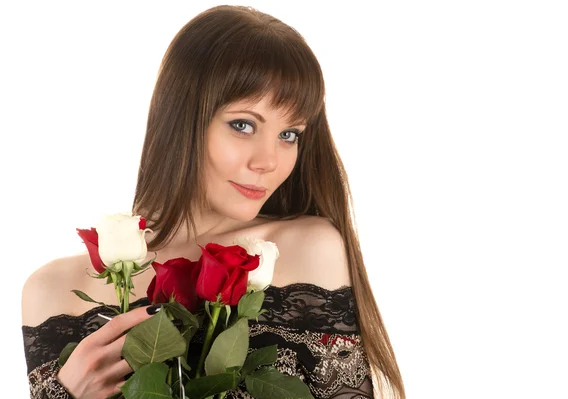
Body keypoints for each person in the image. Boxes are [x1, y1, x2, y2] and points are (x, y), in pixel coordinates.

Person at [21, 5, 405, 399]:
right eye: (244, 125)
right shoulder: (52, 291)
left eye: (289, 134)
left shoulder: (304, 250)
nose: (268, 161)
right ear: (182, 119)